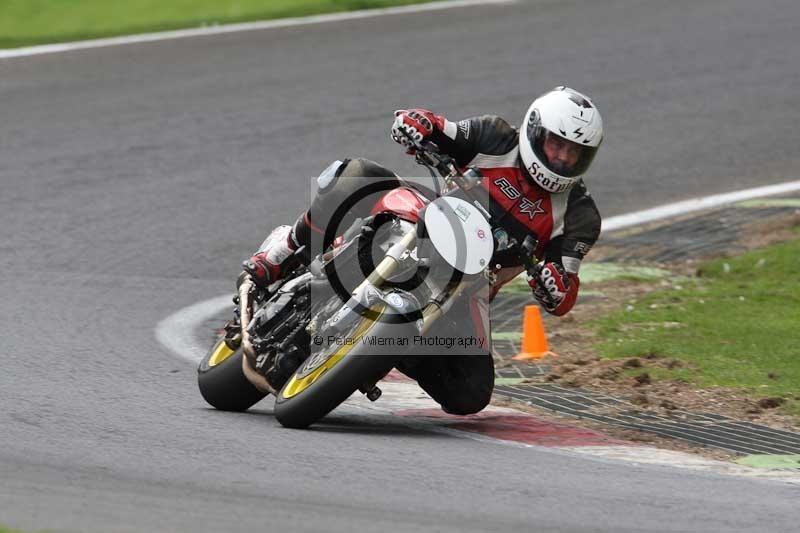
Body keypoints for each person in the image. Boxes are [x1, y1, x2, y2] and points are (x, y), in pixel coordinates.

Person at [243, 86, 603, 414]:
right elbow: (443, 129)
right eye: (557, 145)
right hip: (426, 222)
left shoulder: (579, 214)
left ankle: (386, 347)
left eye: (574, 154)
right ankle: (284, 250)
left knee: (470, 395)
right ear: (534, 133)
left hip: (470, 287)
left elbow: (565, 285)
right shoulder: (496, 136)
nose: (562, 159)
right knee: (357, 173)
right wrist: (417, 124)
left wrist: (555, 285)